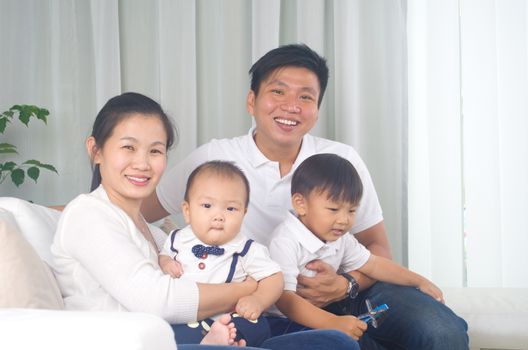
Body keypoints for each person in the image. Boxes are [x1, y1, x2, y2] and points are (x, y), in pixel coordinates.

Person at [142, 43, 469, 349]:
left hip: (350, 294)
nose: (291, 106)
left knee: (441, 331)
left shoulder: (341, 160)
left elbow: (377, 246)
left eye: (306, 97)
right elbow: (139, 212)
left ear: (316, 109)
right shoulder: (213, 159)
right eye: (278, 92)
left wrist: (346, 284)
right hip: (261, 309)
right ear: (252, 101)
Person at [51, 91, 359, 350]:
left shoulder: (159, 237)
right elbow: (157, 301)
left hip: (189, 335)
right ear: (96, 150)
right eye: (128, 147)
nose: (143, 163)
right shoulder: (87, 213)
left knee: (335, 343)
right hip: (125, 343)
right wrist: (246, 289)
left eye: (155, 151)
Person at [268, 153, 448, 338]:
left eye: (352, 210)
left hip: (327, 313)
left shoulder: (340, 237)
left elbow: (374, 265)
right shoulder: (285, 241)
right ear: (301, 204)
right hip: (283, 322)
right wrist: (332, 323)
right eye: (333, 209)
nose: (344, 220)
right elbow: (284, 299)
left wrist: (419, 281)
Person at [159, 160, 284, 346]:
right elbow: (163, 255)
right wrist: (166, 263)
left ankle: (227, 339)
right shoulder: (177, 238)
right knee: (169, 327)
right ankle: (214, 342)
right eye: (207, 206)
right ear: (187, 211)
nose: (218, 216)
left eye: (231, 208)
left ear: (243, 213)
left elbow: (274, 278)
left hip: (228, 315)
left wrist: (258, 300)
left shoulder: (247, 248)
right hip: (190, 314)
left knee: (255, 324)